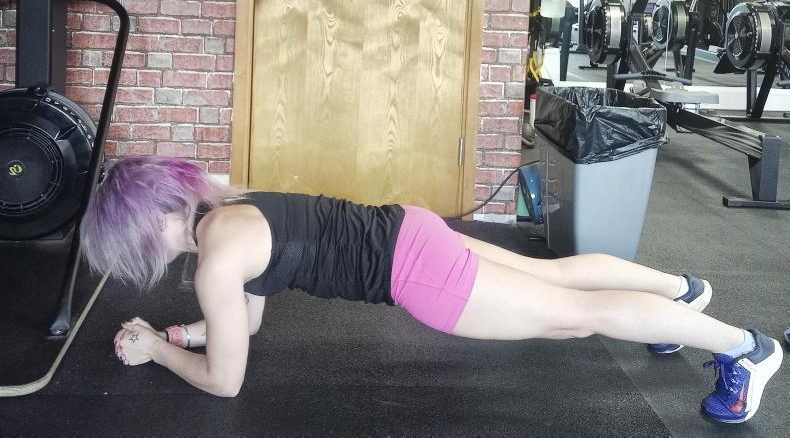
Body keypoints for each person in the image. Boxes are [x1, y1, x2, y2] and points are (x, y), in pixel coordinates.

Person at [81, 156, 782, 423]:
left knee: (575, 316)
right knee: (559, 279)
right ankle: (682, 292)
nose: (140, 253)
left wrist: (155, 350)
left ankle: (744, 349)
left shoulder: (213, 266)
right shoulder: (231, 208)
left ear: (151, 224)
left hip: (418, 275)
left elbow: (225, 382)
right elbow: (249, 322)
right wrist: (180, 333)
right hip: (408, 228)